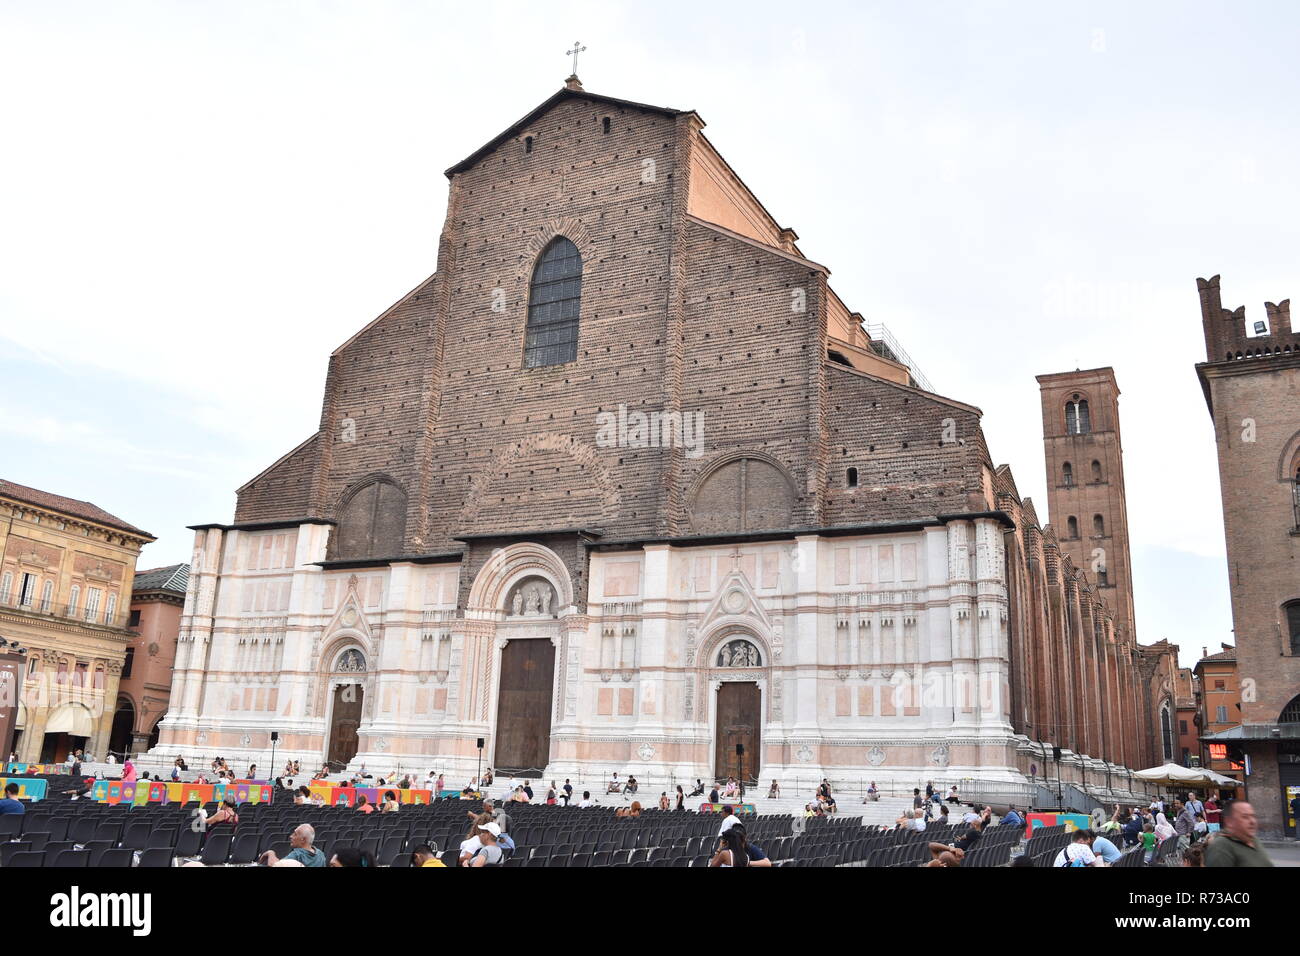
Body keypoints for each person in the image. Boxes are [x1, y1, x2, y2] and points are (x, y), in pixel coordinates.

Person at [1204, 801, 1273, 867]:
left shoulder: (1254, 839)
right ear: (1229, 821)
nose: (1252, 821)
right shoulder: (1221, 847)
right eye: (1245, 817)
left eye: (1253, 816)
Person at [260, 824, 326, 867]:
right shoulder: (321, 854)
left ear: (303, 840)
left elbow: (275, 865)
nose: (291, 836)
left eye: (295, 834)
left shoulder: (297, 855)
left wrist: (271, 853)